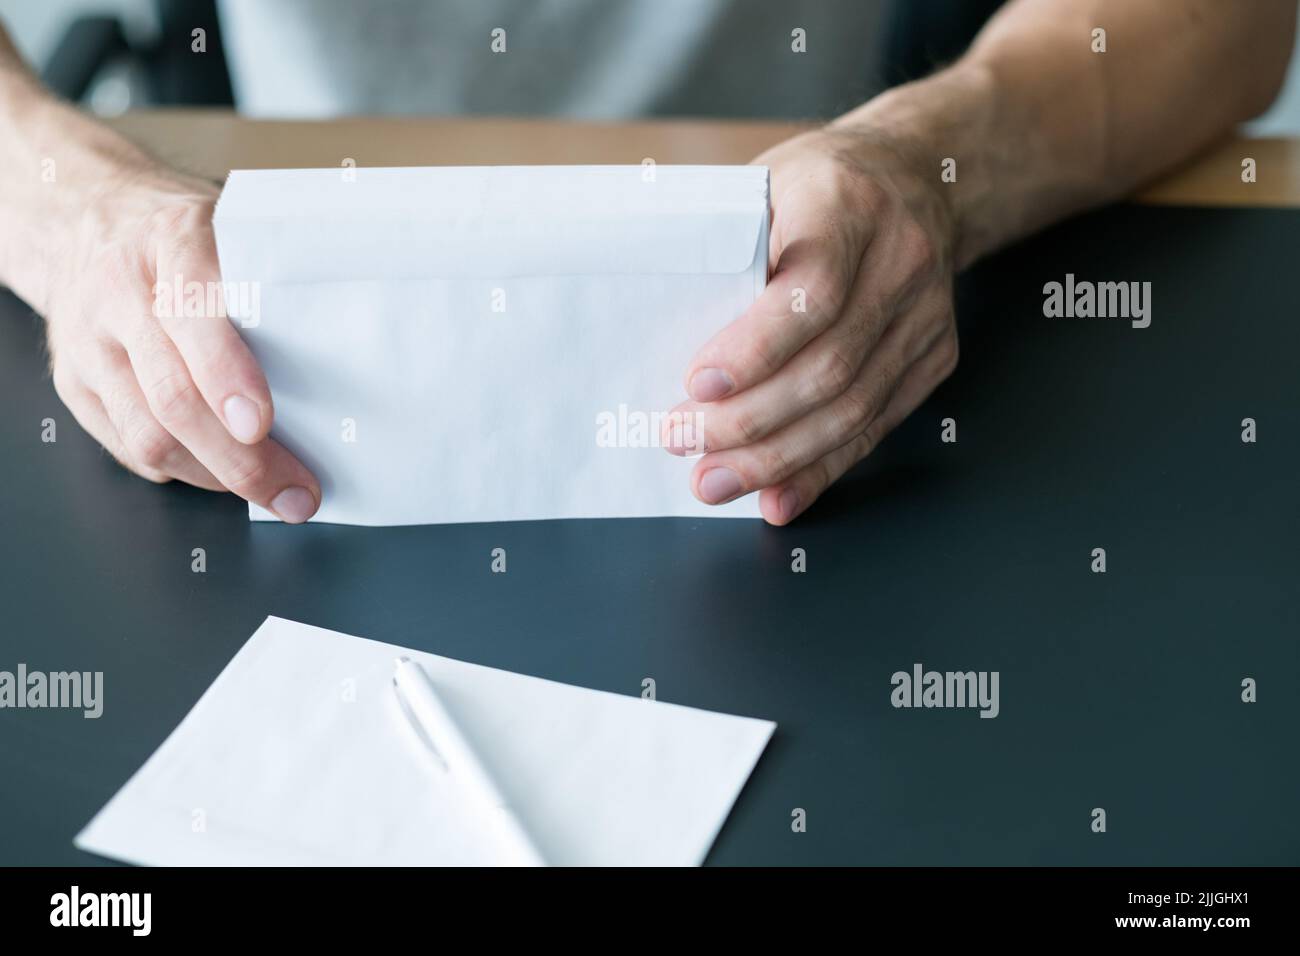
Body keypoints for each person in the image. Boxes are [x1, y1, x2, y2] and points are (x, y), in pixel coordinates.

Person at [0, 0, 1293, 525]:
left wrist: (934, 165)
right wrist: (61, 207)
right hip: (279, 329)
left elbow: (1238, 23)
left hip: (796, 305)